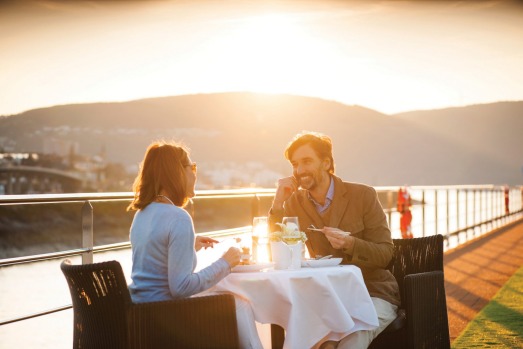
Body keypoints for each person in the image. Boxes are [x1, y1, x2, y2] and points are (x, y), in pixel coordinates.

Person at [268, 131, 400, 349]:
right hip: (328, 296)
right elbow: (279, 250)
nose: (299, 171)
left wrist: (351, 244)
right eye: (294, 164)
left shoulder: (363, 196)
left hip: (373, 292)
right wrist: (278, 203)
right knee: (315, 342)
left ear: (326, 162)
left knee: (352, 338)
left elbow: (386, 255)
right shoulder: (293, 203)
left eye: (306, 161)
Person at [127, 140, 263, 349]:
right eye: (192, 167)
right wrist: (226, 263)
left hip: (141, 313)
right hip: (166, 317)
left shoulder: (142, 213)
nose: (195, 174)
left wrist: (188, 247)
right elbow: (181, 288)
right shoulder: (178, 217)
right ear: (177, 172)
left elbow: (154, 262)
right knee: (240, 305)